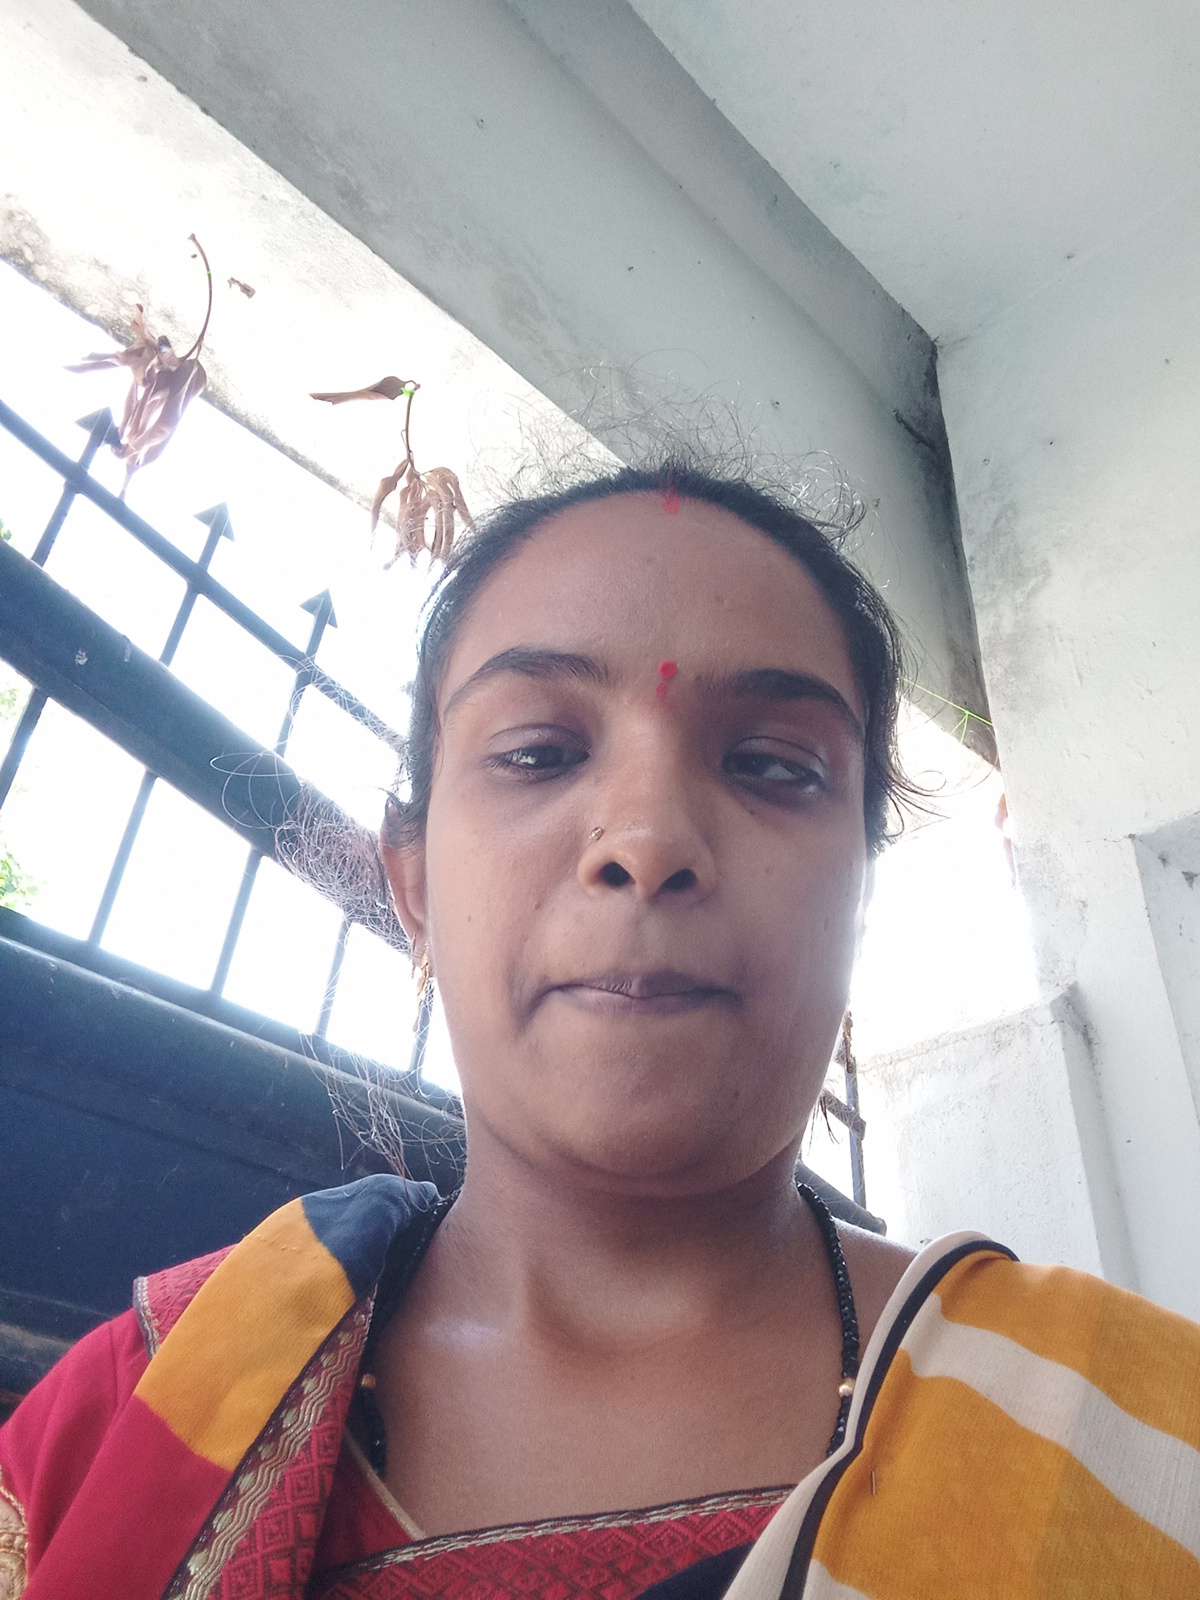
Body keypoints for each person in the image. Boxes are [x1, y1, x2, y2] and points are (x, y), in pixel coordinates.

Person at [2, 463, 1198, 1599]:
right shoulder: (118, 1423)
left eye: (773, 766)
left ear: (859, 892)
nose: (649, 837)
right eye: (539, 753)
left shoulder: (1136, 1436)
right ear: (413, 885)